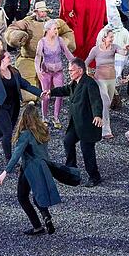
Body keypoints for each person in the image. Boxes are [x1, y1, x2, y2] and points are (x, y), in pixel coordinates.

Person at [0, 103, 66, 236]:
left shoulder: (25, 134)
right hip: (43, 167)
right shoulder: (43, 130)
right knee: (38, 195)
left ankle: (37, 227)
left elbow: (16, 154)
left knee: (22, 197)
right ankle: (46, 216)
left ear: (24, 118)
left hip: (29, 169)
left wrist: (5, 172)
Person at [43, 58, 104, 187]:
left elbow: (96, 101)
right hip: (76, 123)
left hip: (87, 125)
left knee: (87, 150)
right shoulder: (75, 83)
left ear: (80, 71)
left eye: (71, 70)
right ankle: (71, 170)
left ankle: (94, 176)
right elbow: (66, 90)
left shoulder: (89, 83)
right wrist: (51, 92)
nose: (69, 72)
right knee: (68, 141)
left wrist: (98, 115)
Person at [35, 19, 76, 129]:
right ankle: (44, 117)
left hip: (58, 71)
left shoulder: (60, 40)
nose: (56, 31)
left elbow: (68, 54)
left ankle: (56, 117)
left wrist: (76, 63)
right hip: (46, 72)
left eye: (57, 28)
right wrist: (38, 71)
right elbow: (38, 58)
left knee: (59, 94)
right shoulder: (42, 42)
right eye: (54, 29)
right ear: (47, 30)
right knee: (46, 96)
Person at [86, 29, 126, 140]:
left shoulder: (114, 47)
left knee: (107, 104)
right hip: (100, 80)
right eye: (110, 37)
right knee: (105, 102)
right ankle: (106, 129)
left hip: (111, 79)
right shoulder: (96, 50)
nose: (112, 39)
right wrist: (87, 72)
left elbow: (122, 52)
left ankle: (96, 119)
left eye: (113, 37)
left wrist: (126, 50)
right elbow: (86, 61)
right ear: (104, 38)